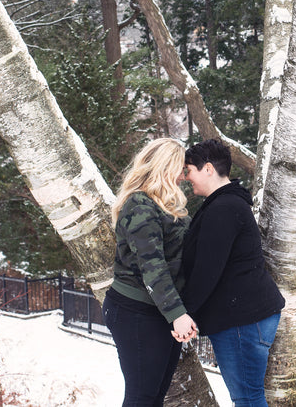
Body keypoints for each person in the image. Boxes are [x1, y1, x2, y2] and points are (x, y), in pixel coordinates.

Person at [181, 139, 285, 407]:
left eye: (188, 169)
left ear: (207, 169)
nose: (184, 177)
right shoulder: (225, 203)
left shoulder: (224, 208)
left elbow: (208, 269)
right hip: (243, 317)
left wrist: (184, 313)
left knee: (247, 398)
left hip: (242, 320)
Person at [103, 138, 199, 407]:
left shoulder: (164, 206)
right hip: (135, 312)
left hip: (157, 312)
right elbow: (152, 267)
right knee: (142, 398)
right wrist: (177, 314)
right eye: (182, 168)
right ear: (166, 168)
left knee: (154, 397)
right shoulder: (140, 206)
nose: (184, 176)